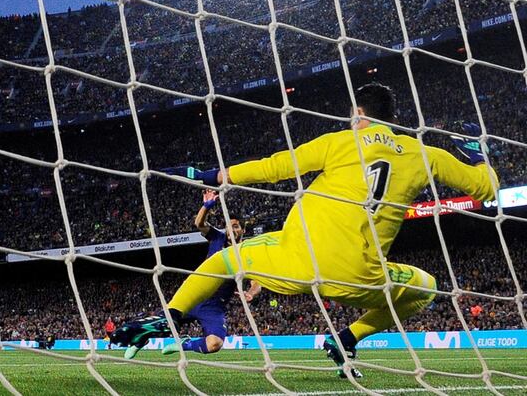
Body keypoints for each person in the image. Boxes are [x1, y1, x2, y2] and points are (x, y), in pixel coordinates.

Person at [113, 83, 498, 378]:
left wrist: (219, 175)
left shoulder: (340, 142)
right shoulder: (425, 155)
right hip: (361, 279)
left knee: (224, 261)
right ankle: (346, 338)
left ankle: (169, 318)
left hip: (298, 262)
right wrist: (479, 157)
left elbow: (275, 166)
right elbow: (487, 189)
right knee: (426, 288)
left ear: (359, 113)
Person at [124, 190, 261, 360]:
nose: (231, 229)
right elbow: (199, 223)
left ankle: (185, 344)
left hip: (214, 307)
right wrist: (206, 207)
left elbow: (257, 281)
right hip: (194, 296)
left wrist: (251, 293)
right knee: (159, 323)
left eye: (235, 226)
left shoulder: (246, 253)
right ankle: (140, 341)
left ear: (243, 230)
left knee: (214, 344)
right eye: (228, 225)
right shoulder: (217, 238)